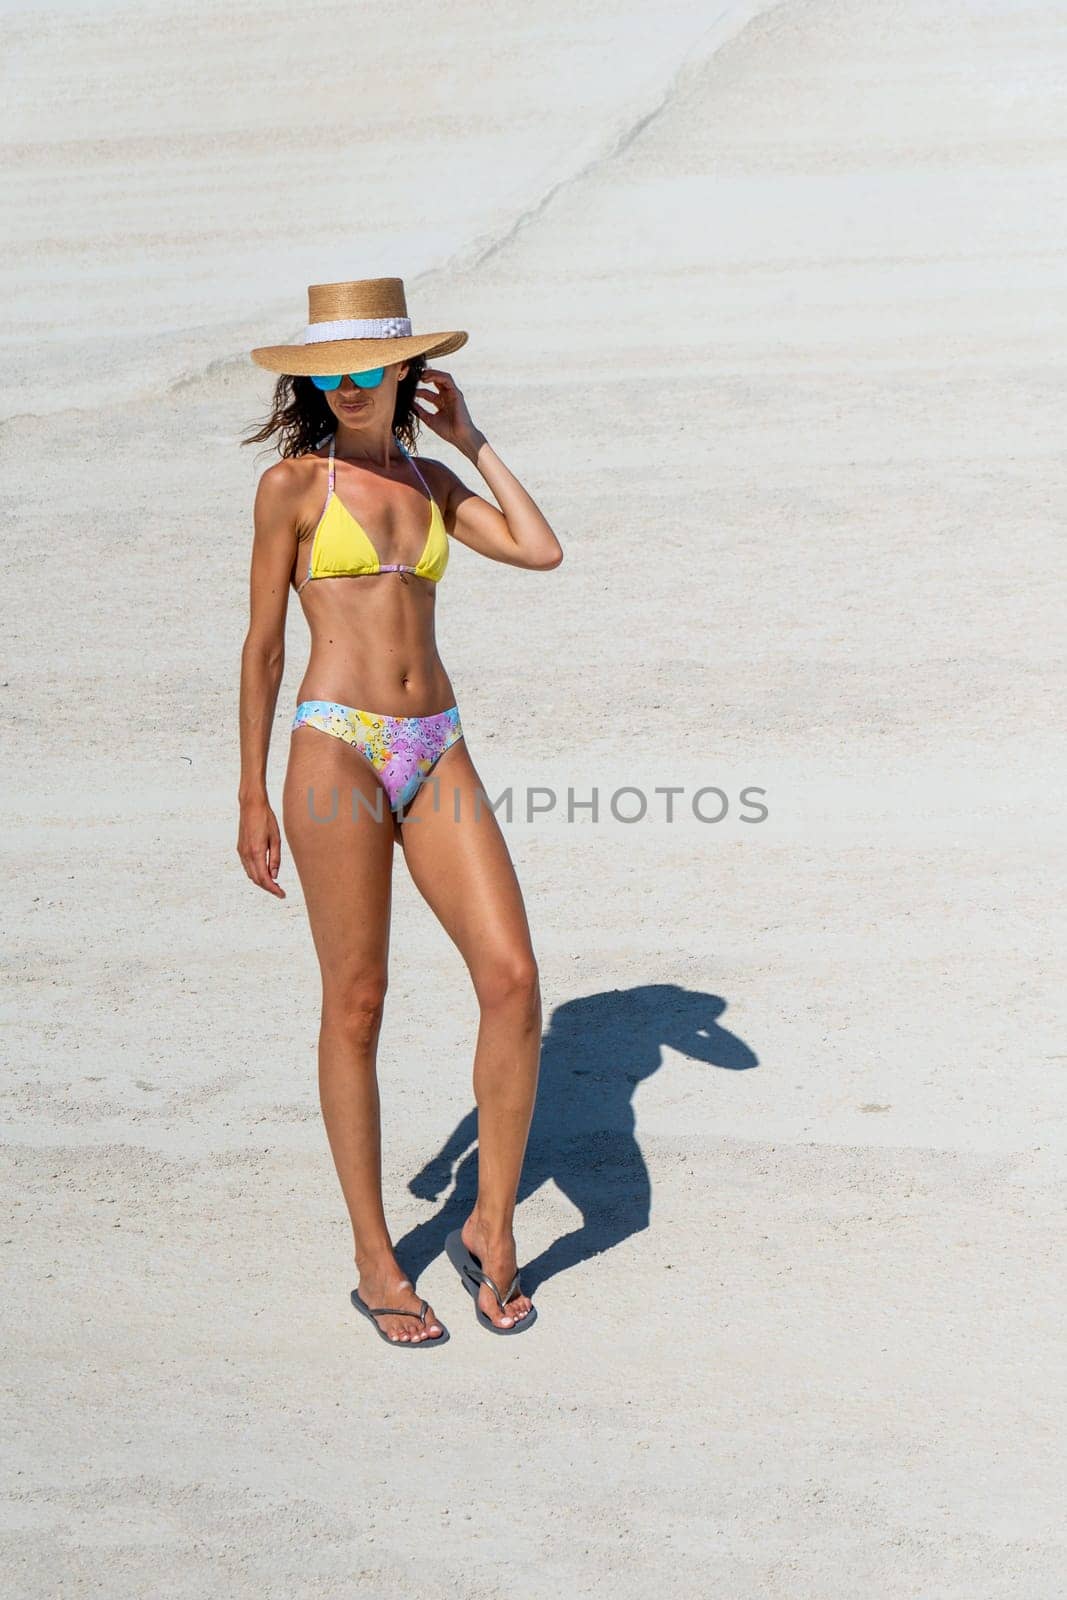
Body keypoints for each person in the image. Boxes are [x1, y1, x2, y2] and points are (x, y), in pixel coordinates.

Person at [237, 278, 563, 1346]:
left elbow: (537, 547)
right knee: (358, 1001)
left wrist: (473, 440)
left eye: (369, 370)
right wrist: (250, 791)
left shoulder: (427, 479)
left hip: (437, 742)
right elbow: (263, 648)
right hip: (335, 743)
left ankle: (489, 1226)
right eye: (330, 375)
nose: (349, 387)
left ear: (405, 374)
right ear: (311, 384)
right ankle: (377, 1260)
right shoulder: (292, 486)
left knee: (512, 979)